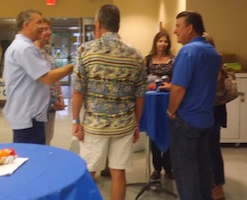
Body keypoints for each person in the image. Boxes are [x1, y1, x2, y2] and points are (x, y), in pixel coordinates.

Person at [71, 4, 147, 200]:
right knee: (118, 172)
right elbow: (140, 96)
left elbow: (78, 91)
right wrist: (136, 124)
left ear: (98, 24)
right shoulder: (136, 54)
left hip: (95, 126)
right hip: (124, 125)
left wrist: (75, 121)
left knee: (88, 172)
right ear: (118, 25)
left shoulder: (85, 50)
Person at [167, 11, 221, 200]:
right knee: (203, 171)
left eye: (178, 26)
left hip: (187, 121)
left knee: (186, 174)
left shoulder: (188, 51)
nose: (175, 31)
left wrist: (171, 111)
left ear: (190, 28)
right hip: (206, 120)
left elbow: (178, 88)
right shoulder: (213, 52)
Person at [3, 10, 73, 145]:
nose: (42, 27)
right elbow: (47, 78)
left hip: (31, 114)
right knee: (31, 157)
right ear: (26, 24)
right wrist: (73, 66)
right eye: (39, 22)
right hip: (28, 117)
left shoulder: (24, 47)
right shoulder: (24, 49)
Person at [145, 31, 174, 180]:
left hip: (169, 101)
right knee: (153, 130)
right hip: (152, 102)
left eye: (165, 41)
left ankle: (169, 167)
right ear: (155, 42)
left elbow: (178, 81)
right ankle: (156, 167)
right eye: (160, 41)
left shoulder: (174, 60)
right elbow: (143, 80)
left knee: (169, 131)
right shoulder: (148, 60)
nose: (162, 44)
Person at [34, 18, 66, 145]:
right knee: (38, 141)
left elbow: (54, 74)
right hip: (39, 104)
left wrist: (59, 95)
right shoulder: (31, 52)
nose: (49, 32)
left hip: (52, 102)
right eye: (45, 29)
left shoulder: (47, 51)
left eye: (49, 29)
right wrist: (51, 102)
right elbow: (37, 82)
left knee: (48, 137)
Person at [204, 32, 227, 200]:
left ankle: (217, 188)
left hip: (213, 108)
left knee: (212, 149)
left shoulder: (214, 57)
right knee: (207, 149)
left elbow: (218, 80)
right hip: (207, 108)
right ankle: (210, 184)